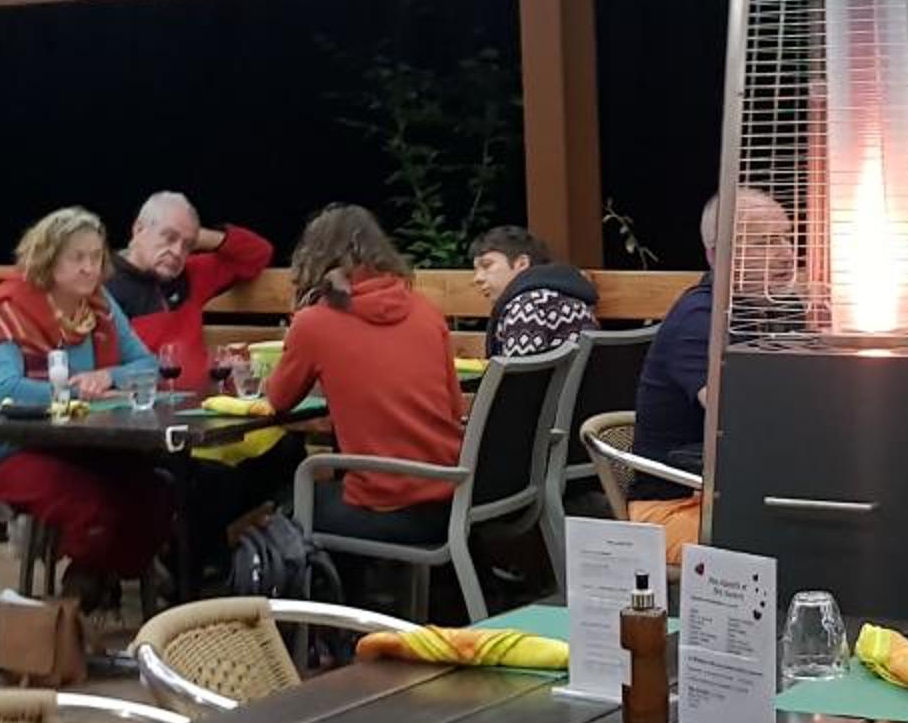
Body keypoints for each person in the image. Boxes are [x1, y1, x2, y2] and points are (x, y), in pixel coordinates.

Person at [265, 205, 467, 598]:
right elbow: (455, 409)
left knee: (293, 498)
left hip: (389, 505)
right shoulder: (426, 311)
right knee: (337, 486)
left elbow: (279, 399)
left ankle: (338, 617)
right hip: (452, 497)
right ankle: (368, 605)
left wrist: (302, 314)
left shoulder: (316, 322)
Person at [0, 207, 172, 595]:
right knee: (93, 505)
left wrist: (107, 376)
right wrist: (75, 391)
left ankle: (90, 578)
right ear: (48, 259)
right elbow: (1, 390)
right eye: (77, 257)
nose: (89, 268)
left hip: (85, 443)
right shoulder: (12, 309)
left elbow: (147, 365)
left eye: (96, 257)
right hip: (16, 450)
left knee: (157, 490)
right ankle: (82, 594)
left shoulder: (99, 305)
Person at [622, 189, 797, 567]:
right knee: (808, 536)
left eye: (787, 237)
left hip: (738, 494)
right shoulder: (700, 318)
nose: (786, 253)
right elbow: (736, 417)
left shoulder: (769, 313)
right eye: (765, 242)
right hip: (677, 506)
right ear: (717, 256)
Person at [109, 192, 273, 388]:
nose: (177, 252)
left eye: (188, 245)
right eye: (169, 237)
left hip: (204, 401)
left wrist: (200, 236)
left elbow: (258, 253)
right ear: (139, 229)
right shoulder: (103, 283)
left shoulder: (192, 274)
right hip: (144, 400)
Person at [470, 226, 601, 359]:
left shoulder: (526, 305)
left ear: (522, 264)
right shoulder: (567, 296)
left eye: (487, 265)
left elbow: (519, 370)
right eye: (476, 270)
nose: (477, 278)